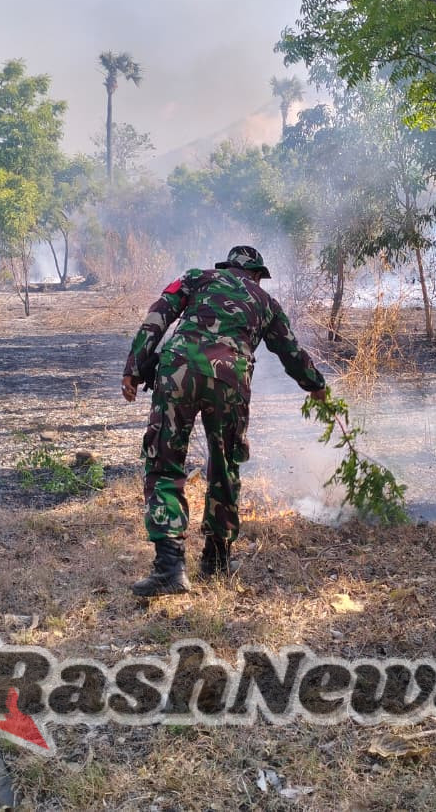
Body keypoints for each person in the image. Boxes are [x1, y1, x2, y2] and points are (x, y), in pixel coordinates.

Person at [121, 245, 328, 596]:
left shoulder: (196, 277)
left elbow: (157, 317)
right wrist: (316, 386)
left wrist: (135, 368)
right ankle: (216, 559)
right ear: (257, 275)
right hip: (230, 379)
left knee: (164, 464)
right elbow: (291, 351)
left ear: (228, 267)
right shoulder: (266, 302)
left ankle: (169, 568)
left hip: (178, 371)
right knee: (224, 466)